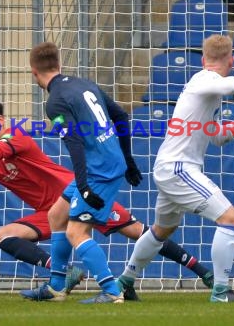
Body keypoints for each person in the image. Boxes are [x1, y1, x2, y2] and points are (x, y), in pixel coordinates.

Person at [0, 97, 214, 297]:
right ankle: (63, 272)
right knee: (4, 235)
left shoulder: (17, 138)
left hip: (79, 194)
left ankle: (203, 272)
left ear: (0, 120)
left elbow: (2, 150)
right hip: (48, 212)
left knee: (139, 232)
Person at [116, 34, 234, 303]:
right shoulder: (206, 79)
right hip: (179, 168)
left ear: (204, 58)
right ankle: (220, 291)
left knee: (162, 230)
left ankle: (125, 281)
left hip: (171, 167)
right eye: (233, 62)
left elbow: (216, 137)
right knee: (229, 218)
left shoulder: (208, 89)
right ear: (229, 60)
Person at [21, 41, 147, 304]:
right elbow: (121, 116)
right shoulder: (85, 84)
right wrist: (129, 160)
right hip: (105, 164)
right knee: (57, 215)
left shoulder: (55, 102)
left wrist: (84, 185)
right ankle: (56, 286)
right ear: (59, 64)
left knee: (76, 232)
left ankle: (112, 292)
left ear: (34, 72)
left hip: (98, 172)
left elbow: (75, 143)